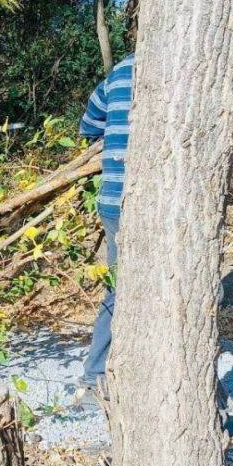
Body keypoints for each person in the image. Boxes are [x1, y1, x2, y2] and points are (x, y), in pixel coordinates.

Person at [75, 54, 134, 406]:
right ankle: (96, 376)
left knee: (118, 288)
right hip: (142, 205)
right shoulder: (188, 64)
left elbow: (88, 124)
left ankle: (95, 375)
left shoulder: (121, 71)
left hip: (113, 200)